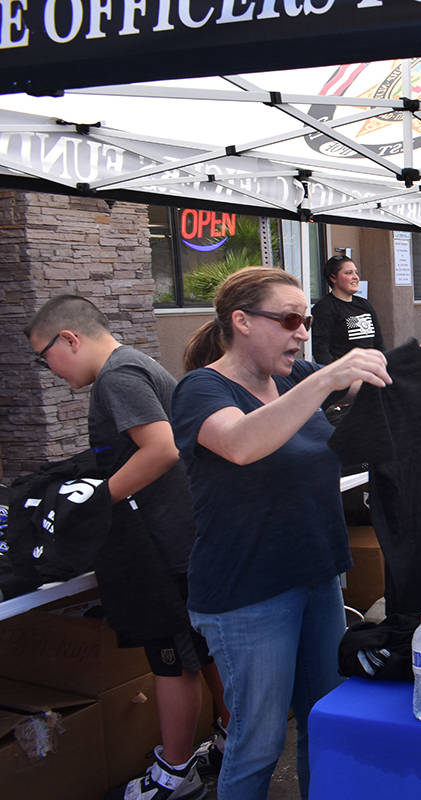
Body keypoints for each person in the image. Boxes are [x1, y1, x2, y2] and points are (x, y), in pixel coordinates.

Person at [171, 266, 393, 800]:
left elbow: (373, 383)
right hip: (247, 592)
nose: (302, 332)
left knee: (323, 721)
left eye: (307, 320)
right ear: (242, 321)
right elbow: (242, 444)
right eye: (291, 319)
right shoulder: (202, 389)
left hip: (316, 576)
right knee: (259, 741)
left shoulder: (292, 378)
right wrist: (325, 380)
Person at [26, 295, 230, 800]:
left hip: (163, 546)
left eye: (43, 355)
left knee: (172, 659)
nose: (46, 368)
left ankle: (175, 775)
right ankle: (233, 743)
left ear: (69, 338)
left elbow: (160, 448)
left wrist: (95, 501)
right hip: (182, 539)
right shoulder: (134, 366)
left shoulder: (118, 376)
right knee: (201, 651)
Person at [310, 255, 383, 365]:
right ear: (333, 278)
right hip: (346, 375)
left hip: (371, 371)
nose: (356, 277)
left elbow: (379, 343)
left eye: (356, 273)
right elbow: (321, 351)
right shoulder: (324, 308)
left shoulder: (364, 305)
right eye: (349, 273)